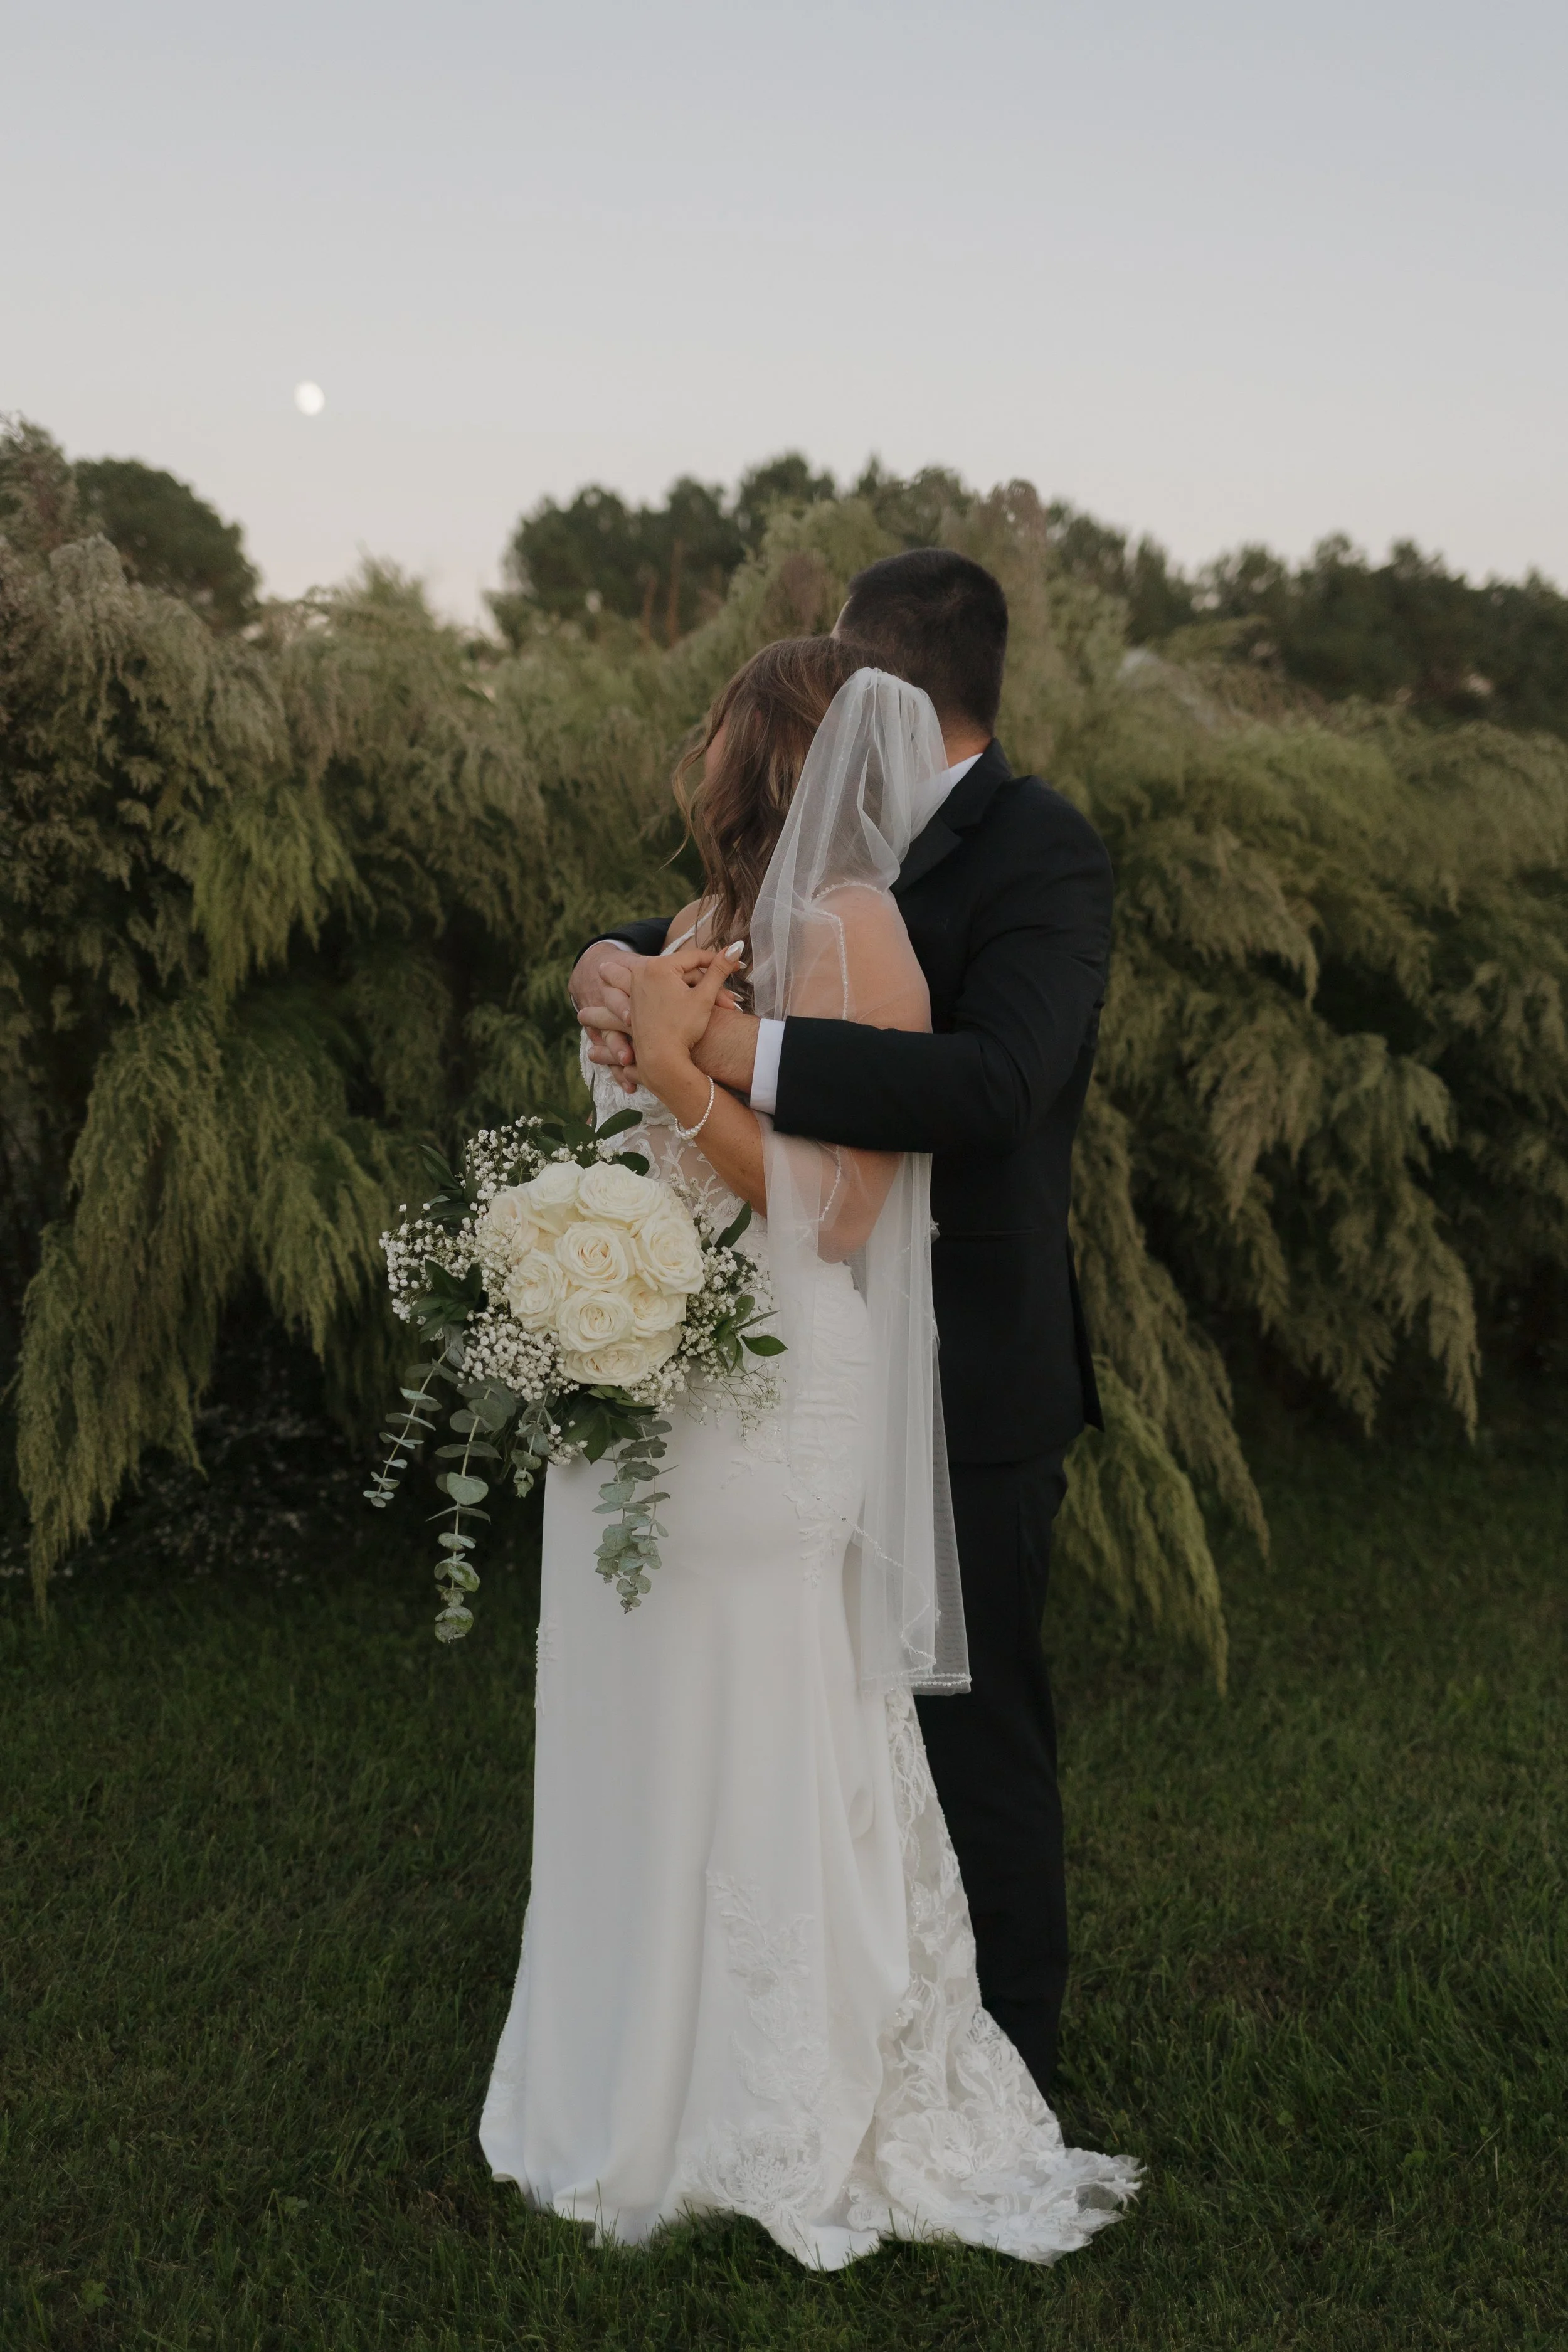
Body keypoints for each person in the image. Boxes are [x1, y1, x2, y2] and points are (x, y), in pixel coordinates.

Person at [481, 635, 1136, 2266]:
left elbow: (840, 1207)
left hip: (773, 1384)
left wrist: (690, 1071)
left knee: (770, 1711)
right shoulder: (699, 926)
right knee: (648, 1710)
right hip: (649, 1377)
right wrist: (612, 1019)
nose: (693, 755)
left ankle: (782, 2086)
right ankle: (648, 2059)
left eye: (713, 731)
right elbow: (624, 1019)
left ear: (757, 749)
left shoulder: (856, 935)